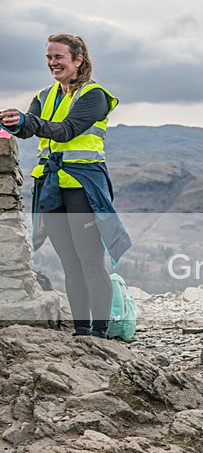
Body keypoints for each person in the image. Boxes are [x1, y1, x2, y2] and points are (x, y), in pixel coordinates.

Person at [0, 33, 131, 338]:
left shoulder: (94, 95)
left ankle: (100, 333)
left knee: (90, 262)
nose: (52, 63)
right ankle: (81, 331)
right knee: (70, 264)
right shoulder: (44, 95)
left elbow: (66, 130)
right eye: (49, 57)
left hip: (83, 187)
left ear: (78, 59)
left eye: (58, 57)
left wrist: (27, 121)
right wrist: (13, 123)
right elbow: (28, 129)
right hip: (51, 185)